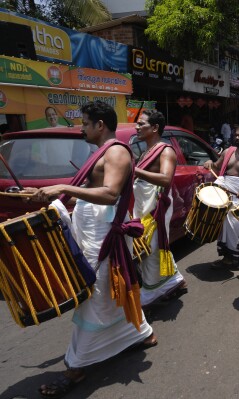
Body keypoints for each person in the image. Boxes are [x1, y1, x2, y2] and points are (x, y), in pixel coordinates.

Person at [27, 101, 155, 398]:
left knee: (93, 295)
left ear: (100, 125)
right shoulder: (98, 153)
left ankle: (75, 366)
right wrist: (45, 194)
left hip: (103, 236)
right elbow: (87, 195)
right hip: (89, 231)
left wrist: (65, 189)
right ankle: (142, 333)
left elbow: (110, 194)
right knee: (107, 291)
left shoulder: (116, 152)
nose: (82, 128)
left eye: (85, 123)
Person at [133, 110, 188, 306]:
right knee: (155, 245)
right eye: (137, 124)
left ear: (155, 128)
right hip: (142, 206)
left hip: (157, 207)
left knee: (151, 247)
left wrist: (134, 170)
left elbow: (165, 179)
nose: (137, 127)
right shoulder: (146, 150)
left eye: (141, 124)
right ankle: (174, 280)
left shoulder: (165, 151)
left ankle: (152, 290)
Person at [204, 124, 239, 268]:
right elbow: (217, 166)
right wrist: (210, 163)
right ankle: (226, 258)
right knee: (223, 227)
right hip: (224, 195)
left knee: (237, 227)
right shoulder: (228, 151)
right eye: (236, 135)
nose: (237, 138)